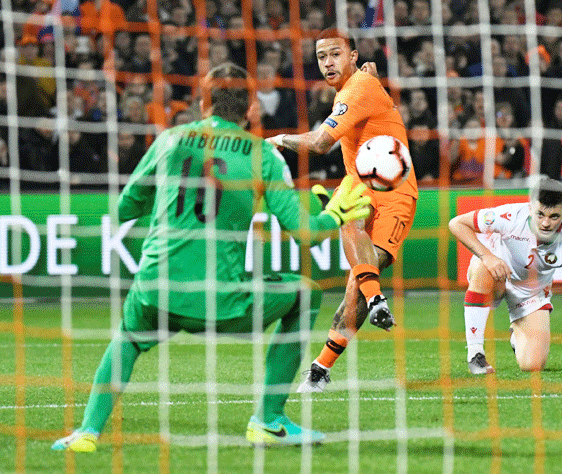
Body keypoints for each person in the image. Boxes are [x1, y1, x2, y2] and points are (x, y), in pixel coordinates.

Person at [51, 62, 371, 452]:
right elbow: (304, 234)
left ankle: (86, 433)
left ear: (203, 103)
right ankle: (268, 419)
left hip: (157, 288)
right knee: (305, 293)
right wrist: (334, 215)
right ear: (251, 109)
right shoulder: (263, 156)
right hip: (221, 300)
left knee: (129, 337)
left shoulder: (170, 140)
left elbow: (124, 209)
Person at [266, 28, 418, 393]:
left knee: (359, 280)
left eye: (335, 54)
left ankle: (322, 365)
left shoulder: (360, 87)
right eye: (321, 57)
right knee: (352, 231)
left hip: (396, 189)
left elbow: (320, 143)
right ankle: (374, 301)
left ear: (352, 57)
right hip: (358, 182)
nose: (327, 63)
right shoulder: (356, 88)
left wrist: (278, 139)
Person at [448, 178, 562, 375]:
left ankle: (517, 335)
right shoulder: (510, 216)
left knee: (532, 365)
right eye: (540, 214)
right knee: (483, 267)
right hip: (497, 275)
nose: (545, 223)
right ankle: (476, 354)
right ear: (530, 207)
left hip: (530, 294)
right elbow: (456, 223)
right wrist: (488, 256)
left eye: (554, 216)